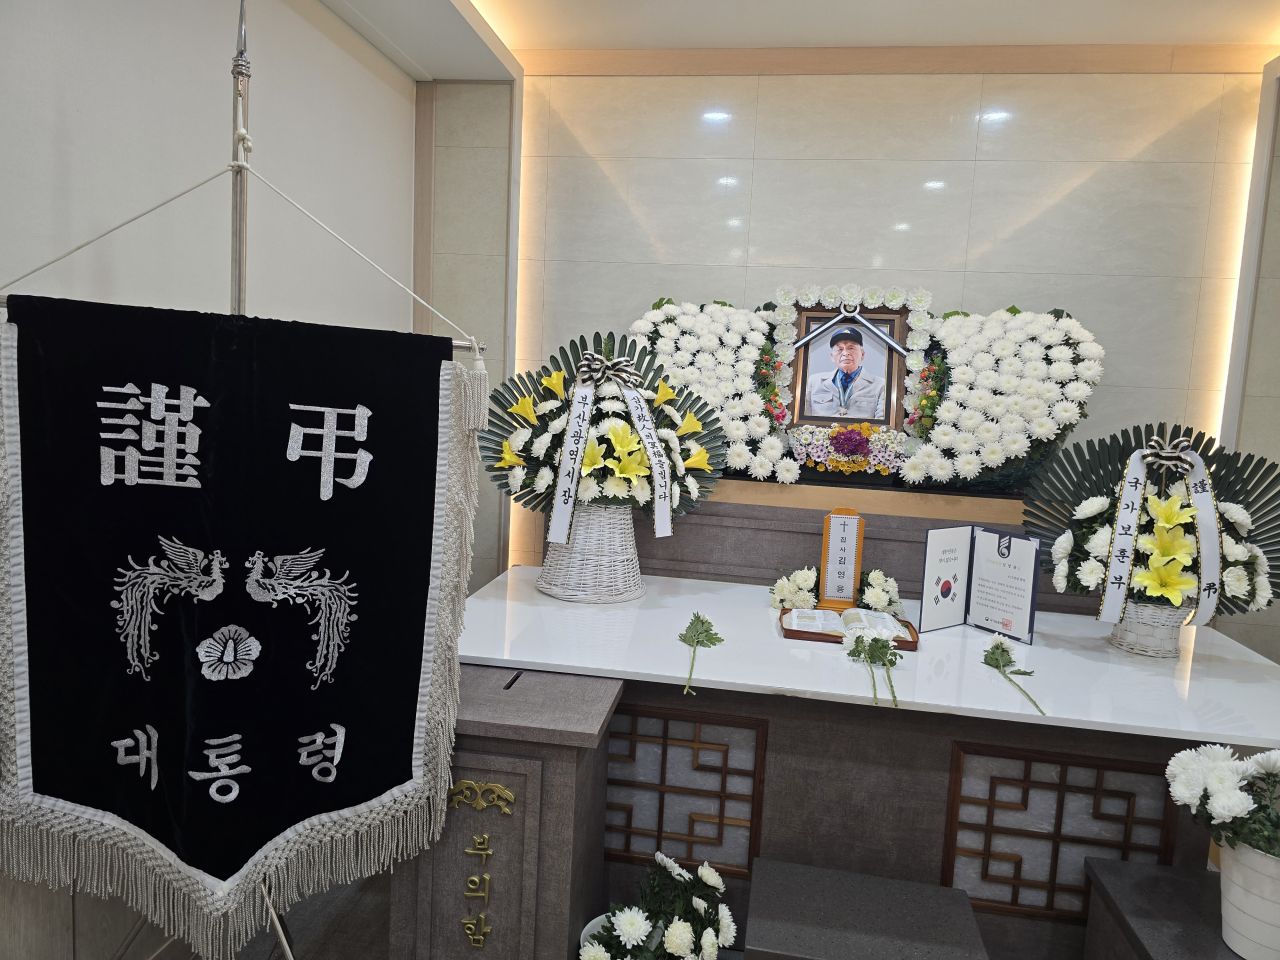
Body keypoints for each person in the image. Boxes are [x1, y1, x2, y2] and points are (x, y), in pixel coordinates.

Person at [805, 327, 885, 420]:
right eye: (840, 349)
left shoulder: (880, 385)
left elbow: (882, 423)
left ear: (862, 355)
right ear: (832, 356)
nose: (845, 353)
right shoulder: (813, 382)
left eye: (851, 348)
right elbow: (804, 419)